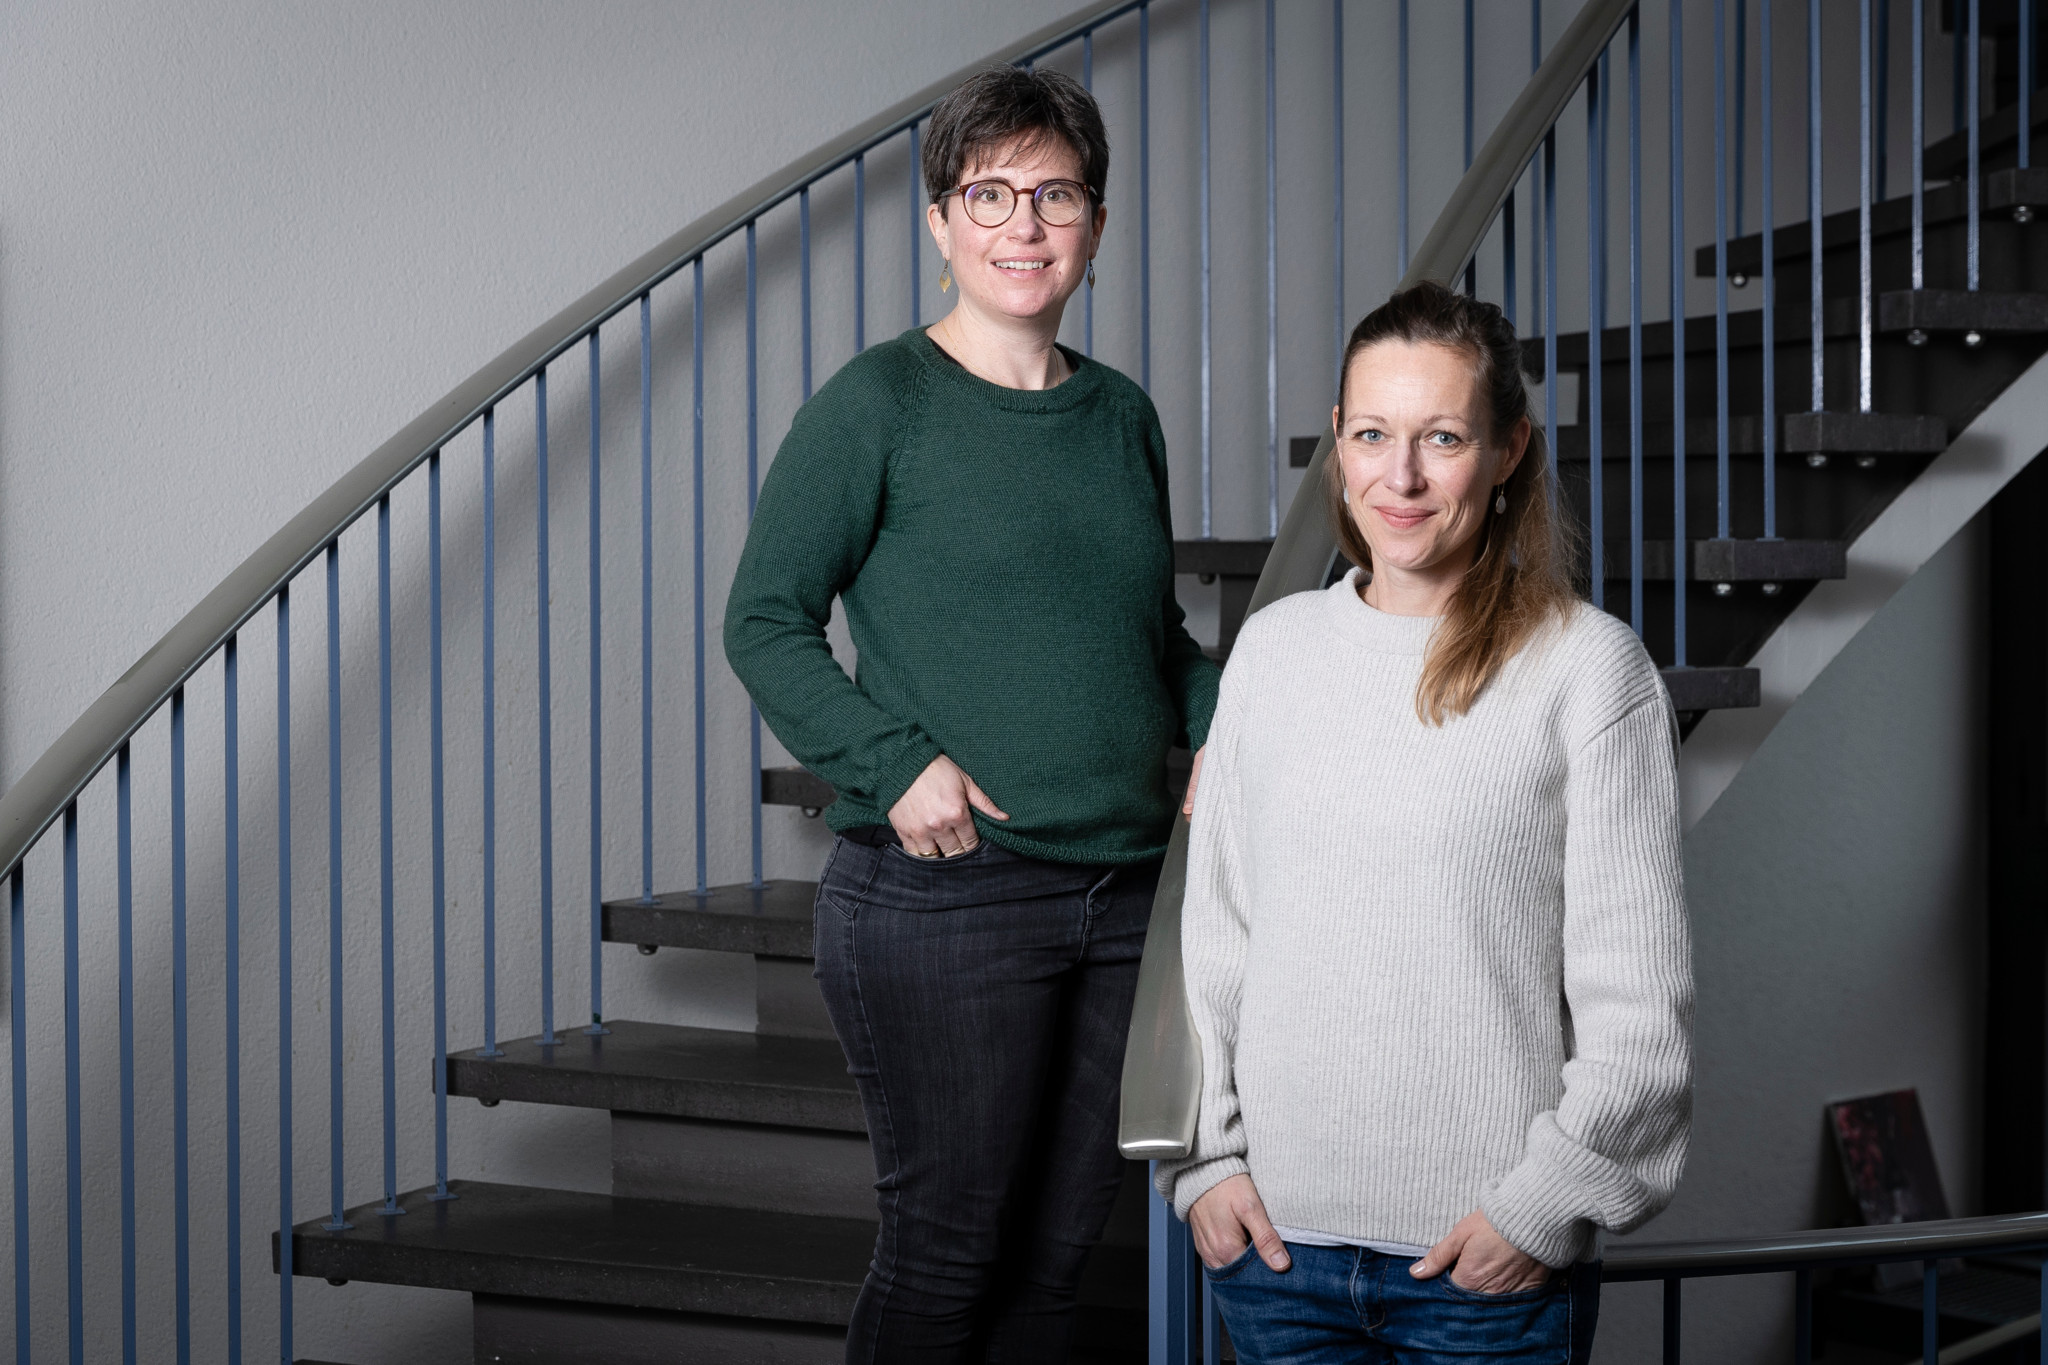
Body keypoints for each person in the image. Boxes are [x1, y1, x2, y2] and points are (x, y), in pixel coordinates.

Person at [724, 65, 1220, 1365]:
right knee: (947, 1262)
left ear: (1096, 224)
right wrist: (892, 764)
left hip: (1127, 895)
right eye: (988, 193)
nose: (1023, 223)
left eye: (1054, 194)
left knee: (1054, 1270)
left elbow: (1150, 639)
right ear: (940, 223)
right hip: (949, 898)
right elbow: (763, 621)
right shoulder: (877, 405)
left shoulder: (1121, 417)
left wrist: (1231, 722)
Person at [1160, 281, 1694, 1364]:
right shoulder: (1272, 651)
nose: (1398, 477)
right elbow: (1213, 944)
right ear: (1338, 444)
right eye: (1371, 434)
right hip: (1276, 1263)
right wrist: (1202, 1164)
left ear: (1507, 452)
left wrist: (1541, 1207)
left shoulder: (1588, 670)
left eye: (1441, 438)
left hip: (1483, 1275)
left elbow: (1637, 1008)